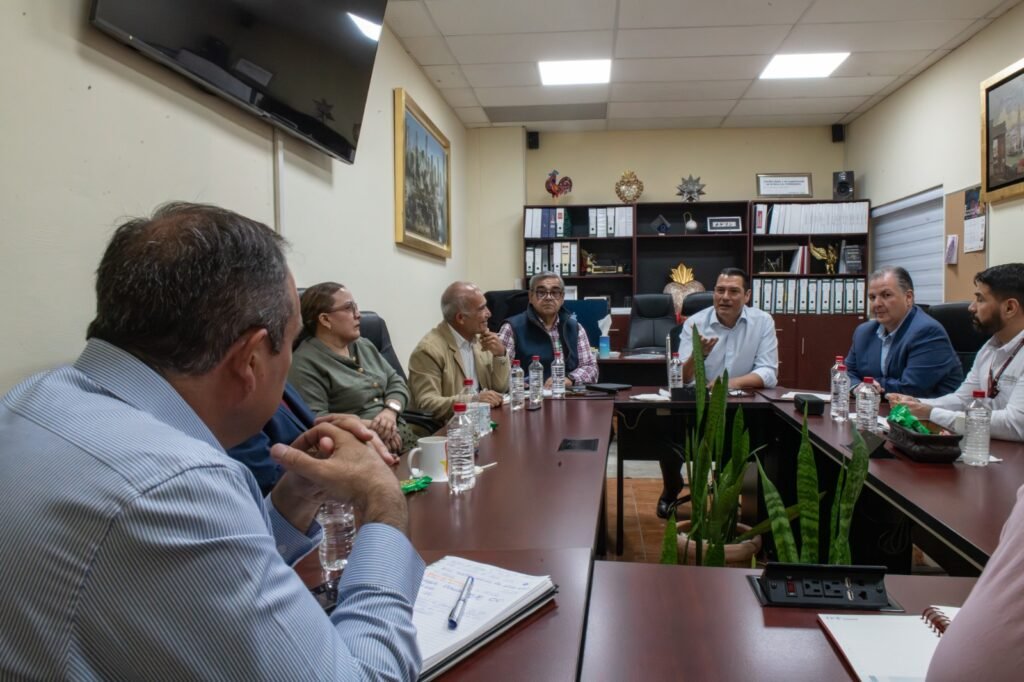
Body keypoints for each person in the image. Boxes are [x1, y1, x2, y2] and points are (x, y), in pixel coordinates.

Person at [0, 203, 423, 679]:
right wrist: (384, 505)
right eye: (290, 342)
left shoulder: (31, 398)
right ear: (250, 360)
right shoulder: (174, 483)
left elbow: (199, 574)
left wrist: (291, 498)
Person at [657, 267, 779, 518]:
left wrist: (729, 383)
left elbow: (768, 372)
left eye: (733, 291)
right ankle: (671, 489)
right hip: (698, 407)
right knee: (665, 431)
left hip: (741, 408)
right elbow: (681, 377)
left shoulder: (763, 322)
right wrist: (698, 357)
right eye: (720, 290)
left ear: (746, 296)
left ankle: (736, 497)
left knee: (762, 438)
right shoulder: (695, 323)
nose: (724, 297)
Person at [889, 263, 1024, 442]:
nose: (972, 307)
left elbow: (1015, 424)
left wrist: (931, 413)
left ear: (1009, 308)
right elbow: (963, 400)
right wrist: (917, 403)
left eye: (980, 299)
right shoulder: (990, 347)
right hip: (986, 449)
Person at [289, 282, 420, 454]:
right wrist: (377, 428)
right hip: (361, 449)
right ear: (325, 320)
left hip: (402, 437)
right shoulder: (304, 362)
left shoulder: (364, 345)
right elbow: (317, 421)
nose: (358, 315)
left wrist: (390, 412)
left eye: (356, 307)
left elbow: (396, 382)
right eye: (349, 308)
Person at [227, 382, 397, 495]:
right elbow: (266, 483)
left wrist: (345, 434)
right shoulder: (234, 398)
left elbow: (313, 429)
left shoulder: (280, 382)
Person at [844, 266, 961, 397]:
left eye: (886, 295)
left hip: (925, 414)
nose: (876, 304)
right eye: (872, 297)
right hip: (878, 410)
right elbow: (846, 374)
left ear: (908, 298)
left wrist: (868, 385)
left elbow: (911, 388)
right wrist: (856, 387)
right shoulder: (863, 332)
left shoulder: (927, 332)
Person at [408, 281, 510, 421]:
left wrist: (500, 355)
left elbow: (500, 389)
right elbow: (426, 404)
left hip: (479, 423)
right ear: (461, 318)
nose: (489, 313)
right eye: (481, 309)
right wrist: (473, 400)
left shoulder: (481, 340)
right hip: (447, 431)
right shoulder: (429, 350)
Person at [497, 271, 598, 387]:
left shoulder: (575, 328)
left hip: (567, 398)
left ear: (562, 298)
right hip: (528, 398)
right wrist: (521, 384)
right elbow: (501, 374)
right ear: (531, 296)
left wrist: (570, 379)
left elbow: (591, 368)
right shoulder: (511, 328)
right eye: (541, 292)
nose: (548, 298)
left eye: (555, 292)